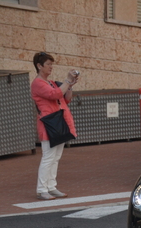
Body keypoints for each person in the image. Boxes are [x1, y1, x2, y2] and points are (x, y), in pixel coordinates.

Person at [31, 51, 78, 201]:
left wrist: (69, 85)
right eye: (48, 64)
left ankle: (51, 187)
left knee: (55, 157)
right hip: (50, 124)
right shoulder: (37, 83)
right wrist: (67, 81)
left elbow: (67, 98)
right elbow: (55, 95)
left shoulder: (51, 82)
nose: (51, 67)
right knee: (48, 157)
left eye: (52, 64)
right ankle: (41, 189)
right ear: (39, 66)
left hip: (59, 123)